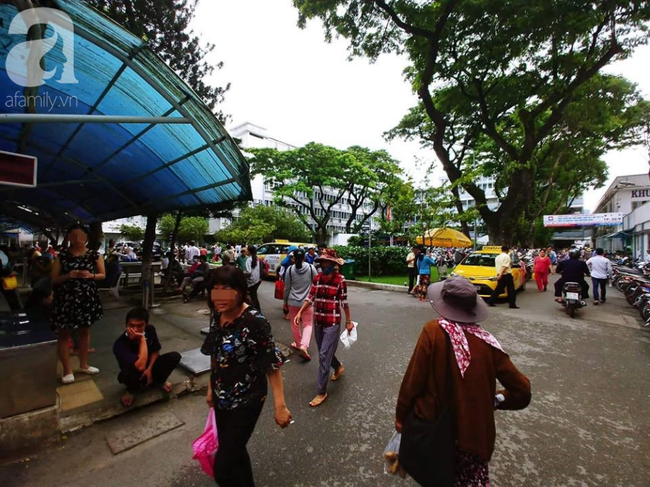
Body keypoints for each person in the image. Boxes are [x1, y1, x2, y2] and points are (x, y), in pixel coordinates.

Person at [395, 277, 531, 486]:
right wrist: (494, 400)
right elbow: (522, 391)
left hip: (435, 434)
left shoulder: (433, 332)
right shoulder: (488, 343)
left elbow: (413, 382)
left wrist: (401, 417)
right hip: (473, 438)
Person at [200, 266, 291, 486]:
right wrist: (211, 388)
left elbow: (271, 364)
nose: (219, 296)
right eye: (215, 289)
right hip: (222, 398)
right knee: (235, 452)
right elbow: (216, 352)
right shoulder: (218, 314)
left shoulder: (254, 322)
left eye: (226, 289)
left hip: (247, 400)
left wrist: (280, 406)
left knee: (224, 469)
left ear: (240, 291)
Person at [294, 248, 353, 408]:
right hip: (318, 320)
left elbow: (344, 302)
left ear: (333, 263)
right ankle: (338, 367)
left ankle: (321, 391)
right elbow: (310, 296)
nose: (324, 264)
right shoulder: (318, 278)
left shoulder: (340, 280)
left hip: (332, 322)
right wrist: (300, 311)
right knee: (324, 352)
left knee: (324, 354)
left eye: (327, 261)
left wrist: (349, 321)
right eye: (322, 261)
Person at [50, 224, 105, 384]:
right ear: (68, 238)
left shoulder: (95, 255)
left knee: (84, 332)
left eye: (80, 236)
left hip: (86, 298)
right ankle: (67, 370)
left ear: (86, 238)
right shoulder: (62, 256)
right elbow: (53, 280)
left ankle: (84, 364)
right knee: (64, 333)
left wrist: (90, 275)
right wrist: (69, 275)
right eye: (73, 236)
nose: (77, 239)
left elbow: (102, 275)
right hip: (66, 299)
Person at [113, 307, 181, 407]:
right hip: (133, 373)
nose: (135, 329)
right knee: (130, 373)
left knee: (174, 356)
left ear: (146, 324)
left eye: (140, 326)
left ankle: (158, 381)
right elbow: (140, 366)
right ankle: (131, 391)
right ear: (126, 325)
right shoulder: (120, 344)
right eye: (131, 326)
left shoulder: (150, 329)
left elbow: (155, 350)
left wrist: (149, 369)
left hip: (149, 367)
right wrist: (142, 339)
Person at [283, 249, 317, 361]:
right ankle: (304, 345)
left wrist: (285, 302)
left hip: (292, 301)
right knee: (307, 324)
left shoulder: (289, 270)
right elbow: (316, 283)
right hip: (307, 302)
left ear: (293, 258)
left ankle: (298, 344)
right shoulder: (311, 268)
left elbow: (287, 288)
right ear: (304, 257)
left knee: (295, 323)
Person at [245, 245, 262, 311]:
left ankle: (256, 310)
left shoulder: (249, 260)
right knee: (254, 296)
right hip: (257, 280)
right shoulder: (257, 258)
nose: (246, 251)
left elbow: (248, 272)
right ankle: (256, 309)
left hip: (251, 281)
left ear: (249, 251)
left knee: (253, 297)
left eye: (247, 250)